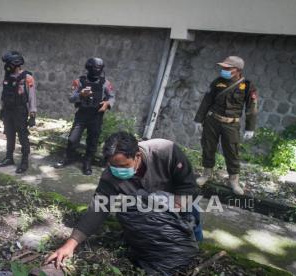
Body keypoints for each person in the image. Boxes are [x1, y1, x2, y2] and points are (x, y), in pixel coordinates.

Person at [46, 131, 201, 274]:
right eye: (113, 166)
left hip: (177, 199)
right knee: (133, 214)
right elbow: (98, 209)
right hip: (150, 209)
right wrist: (70, 244)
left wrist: (173, 211)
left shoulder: (165, 150)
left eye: (124, 166)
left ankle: (194, 245)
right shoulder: (110, 177)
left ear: (137, 156)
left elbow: (188, 185)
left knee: (191, 232)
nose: (118, 170)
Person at [194, 56, 258, 195]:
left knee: (232, 151)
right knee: (208, 147)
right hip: (213, 121)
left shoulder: (247, 85)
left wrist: (250, 127)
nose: (224, 70)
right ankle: (206, 174)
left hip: (231, 124)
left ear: (238, 70)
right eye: (223, 67)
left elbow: (251, 108)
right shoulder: (217, 82)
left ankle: (234, 181)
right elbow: (206, 101)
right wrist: (199, 119)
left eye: (228, 68)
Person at [54, 57, 115, 175]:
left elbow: (112, 96)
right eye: (95, 68)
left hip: (97, 116)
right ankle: (68, 158)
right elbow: (71, 98)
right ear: (89, 68)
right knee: (72, 139)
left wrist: (107, 104)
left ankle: (87, 163)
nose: (97, 71)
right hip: (82, 114)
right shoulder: (79, 81)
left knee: (92, 141)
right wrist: (80, 95)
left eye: (99, 69)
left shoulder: (106, 83)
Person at [0, 51, 37, 174]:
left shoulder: (27, 78)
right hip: (8, 110)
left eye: (9, 64)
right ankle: (9, 158)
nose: (7, 66)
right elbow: (4, 94)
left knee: (23, 136)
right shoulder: (7, 76)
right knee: (9, 134)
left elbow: (32, 97)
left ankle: (24, 162)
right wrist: (2, 109)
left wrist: (32, 114)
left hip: (20, 111)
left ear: (16, 63)